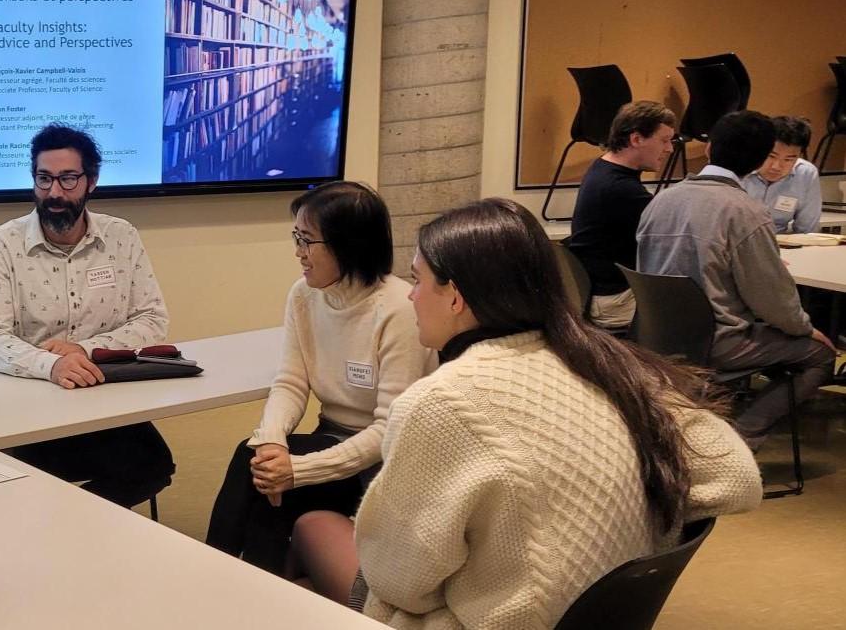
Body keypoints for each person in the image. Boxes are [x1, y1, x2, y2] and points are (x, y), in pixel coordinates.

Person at [290, 199, 762, 629]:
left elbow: (401, 582)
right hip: (595, 614)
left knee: (312, 525)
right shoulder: (613, 364)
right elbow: (737, 477)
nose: (410, 296)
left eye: (417, 280)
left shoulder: (443, 403)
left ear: (455, 296)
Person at [204, 182, 435, 574]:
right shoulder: (304, 295)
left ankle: (223, 584)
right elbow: (291, 381)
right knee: (258, 462)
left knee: (269, 483)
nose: (298, 252)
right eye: (297, 238)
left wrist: (298, 470)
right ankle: (227, 584)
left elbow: (388, 432)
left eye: (306, 240)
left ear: (347, 244)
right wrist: (273, 443)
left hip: (383, 464)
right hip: (330, 438)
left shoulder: (399, 309)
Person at [0, 123, 174, 507]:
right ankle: (61, 532)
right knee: (27, 486)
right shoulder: (1, 244)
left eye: (67, 179)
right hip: (25, 404)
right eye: (44, 179)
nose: (54, 193)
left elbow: (151, 319)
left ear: (91, 181)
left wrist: (82, 350)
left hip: (101, 397)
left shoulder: (121, 236)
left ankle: (71, 530)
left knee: (153, 465)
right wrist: (51, 365)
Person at [638, 110, 837, 449]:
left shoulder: (661, 200)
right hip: (718, 341)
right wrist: (806, 328)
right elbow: (772, 297)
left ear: (710, 149)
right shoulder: (744, 211)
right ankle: (740, 438)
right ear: (760, 160)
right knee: (821, 354)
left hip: (654, 335)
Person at [565, 100, 675, 329]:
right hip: (613, 301)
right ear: (636, 139)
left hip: (595, 291)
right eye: (664, 140)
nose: (670, 149)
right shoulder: (621, 189)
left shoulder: (602, 168)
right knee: (701, 309)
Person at [741, 115, 822, 234]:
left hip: (779, 244)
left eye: (788, 159)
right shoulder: (738, 167)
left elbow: (807, 231)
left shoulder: (806, 174)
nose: (776, 167)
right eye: (771, 156)